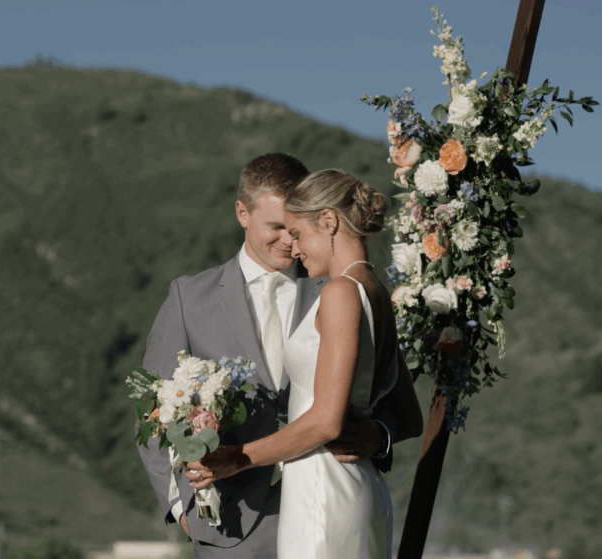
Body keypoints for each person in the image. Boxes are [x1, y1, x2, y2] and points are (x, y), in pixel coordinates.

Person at [136, 154, 423, 559]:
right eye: (277, 228)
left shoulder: (339, 289)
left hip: (322, 500)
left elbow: (391, 404)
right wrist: (182, 508)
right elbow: (153, 409)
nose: (290, 242)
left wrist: (378, 437)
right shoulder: (188, 299)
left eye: (295, 230)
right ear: (242, 213)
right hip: (230, 525)